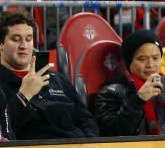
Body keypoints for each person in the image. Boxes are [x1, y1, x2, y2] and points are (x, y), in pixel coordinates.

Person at [0, 11, 98, 139]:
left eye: (28, 39)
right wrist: (23, 96)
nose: (23, 46)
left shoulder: (57, 79)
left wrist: (91, 143)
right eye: (16, 39)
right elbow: (5, 130)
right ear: (1, 45)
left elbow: (85, 118)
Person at [93, 30, 165, 135]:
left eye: (156, 58)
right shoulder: (110, 94)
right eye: (142, 59)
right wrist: (138, 100)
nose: (150, 64)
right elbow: (113, 134)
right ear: (129, 62)